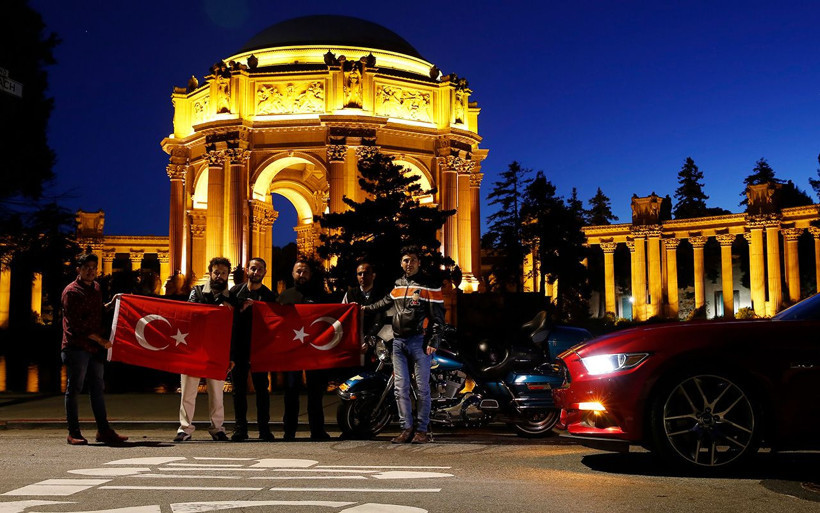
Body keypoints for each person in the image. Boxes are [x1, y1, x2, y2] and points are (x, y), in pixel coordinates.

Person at [364, 246, 445, 444]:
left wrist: (434, 340)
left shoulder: (429, 285)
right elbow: (384, 302)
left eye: (413, 260)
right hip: (398, 342)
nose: (409, 264)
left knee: (422, 389)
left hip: (419, 342)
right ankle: (406, 429)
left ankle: (421, 431)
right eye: (406, 260)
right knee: (400, 388)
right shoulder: (398, 284)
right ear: (401, 263)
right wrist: (364, 308)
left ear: (419, 263)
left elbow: (438, 317)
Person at [61, 253, 128, 446]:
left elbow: (98, 313)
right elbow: (77, 326)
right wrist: (101, 340)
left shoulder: (96, 288)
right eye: (86, 268)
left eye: (93, 267)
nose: (91, 271)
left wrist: (112, 303)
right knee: (74, 389)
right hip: (76, 348)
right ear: (78, 270)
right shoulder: (71, 292)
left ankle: (103, 431)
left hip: (93, 348)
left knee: (97, 389)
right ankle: (73, 432)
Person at [175, 257, 233, 442]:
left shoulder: (232, 298)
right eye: (216, 272)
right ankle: (185, 428)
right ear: (210, 273)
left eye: (223, 273)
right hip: (194, 349)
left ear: (228, 275)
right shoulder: (197, 291)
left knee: (217, 393)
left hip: (217, 351)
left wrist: (231, 356)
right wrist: (217, 309)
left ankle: (218, 428)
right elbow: (189, 314)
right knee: (188, 391)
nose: (219, 276)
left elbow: (235, 329)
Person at [277, 259, 331, 441]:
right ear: (292, 274)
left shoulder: (320, 296)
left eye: (305, 271)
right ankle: (289, 431)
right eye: (298, 271)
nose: (301, 275)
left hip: (315, 351)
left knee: (315, 392)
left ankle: (318, 430)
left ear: (311, 274)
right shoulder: (284, 297)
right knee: (291, 391)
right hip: (292, 352)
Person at [228, 257, 278, 442]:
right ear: (247, 270)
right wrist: (241, 309)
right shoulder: (234, 292)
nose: (256, 272)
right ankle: (240, 428)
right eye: (253, 269)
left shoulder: (269, 296)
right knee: (238, 390)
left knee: (262, 390)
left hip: (260, 348)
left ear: (265, 272)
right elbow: (227, 319)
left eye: (259, 269)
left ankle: (264, 429)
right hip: (239, 348)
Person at [342, 260, 384, 367]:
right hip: (355, 342)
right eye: (359, 274)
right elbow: (343, 318)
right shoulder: (350, 294)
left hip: (377, 343)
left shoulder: (382, 295)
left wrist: (371, 340)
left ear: (373, 275)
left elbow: (384, 319)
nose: (362, 276)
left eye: (366, 273)